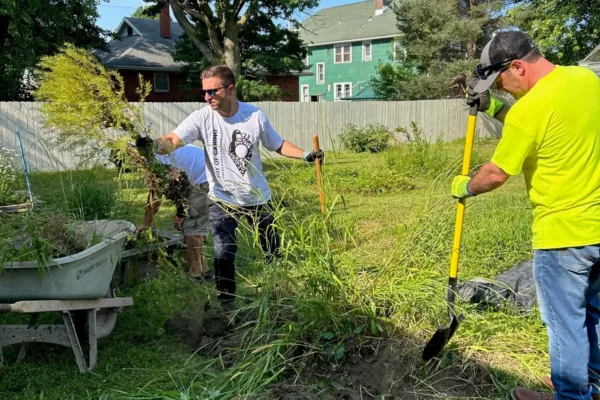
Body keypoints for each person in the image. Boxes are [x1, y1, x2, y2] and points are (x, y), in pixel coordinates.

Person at [455, 31, 600, 400]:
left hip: (563, 237)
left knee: (564, 322)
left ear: (517, 66)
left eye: (500, 81)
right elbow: (541, 119)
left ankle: (571, 394)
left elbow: (497, 173)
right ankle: (590, 379)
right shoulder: (585, 79)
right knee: (594, 312)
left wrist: (465, 186)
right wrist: (491, 109)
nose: (501, 89)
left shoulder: (530, 110)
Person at [138, 65, 323, 302]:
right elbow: (173, 139)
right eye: (204, 92)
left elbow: (277, 144)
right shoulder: (201, 117)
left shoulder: (254, 116)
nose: (207, 97)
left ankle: (280, 292)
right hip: (222, 199)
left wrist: (306, 154)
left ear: (231, 89)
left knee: (272, 249)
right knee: (223, 253)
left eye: (212, 91)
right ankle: (227, 305)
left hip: (257, 197)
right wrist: (153, 145)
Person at [136, 144, 211, 280]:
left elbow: (163, 193)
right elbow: (167, 191)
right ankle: (203, 268)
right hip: (201, 175)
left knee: (191, 227)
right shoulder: (155, 155)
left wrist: (181, 215)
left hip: (202, 178)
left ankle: (195, 273)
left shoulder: (156, 162)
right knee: (195, 226)